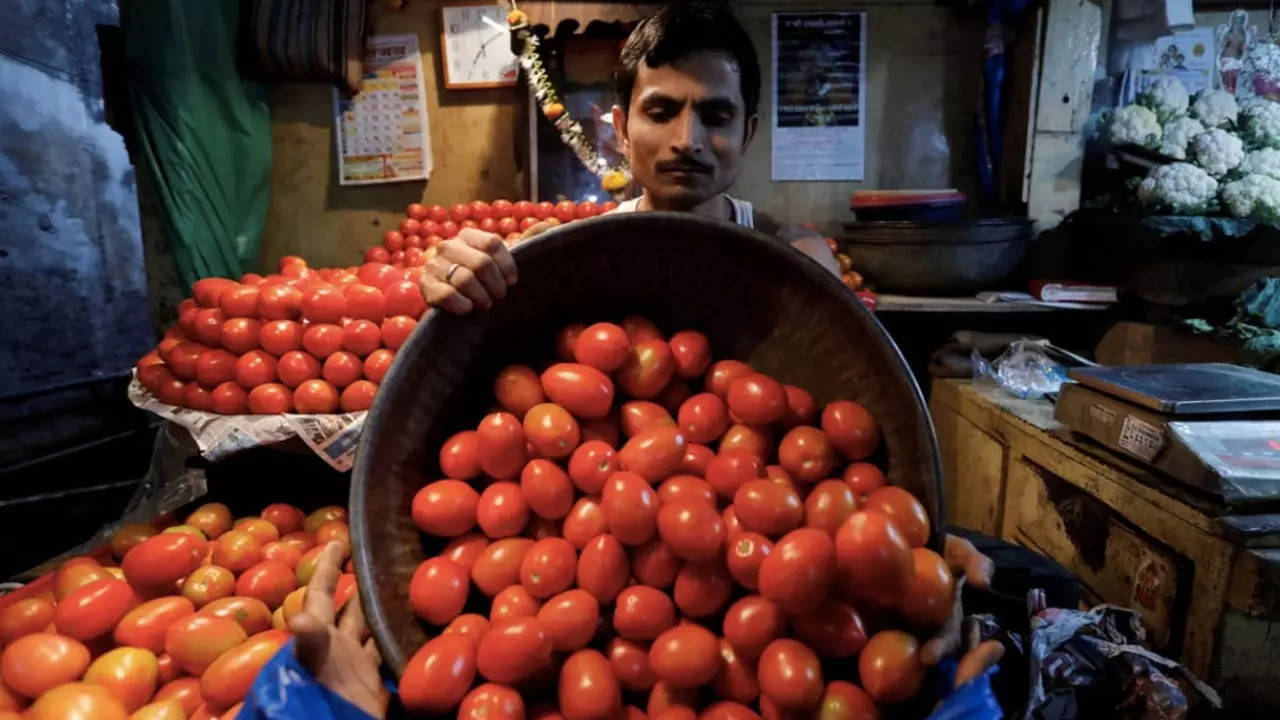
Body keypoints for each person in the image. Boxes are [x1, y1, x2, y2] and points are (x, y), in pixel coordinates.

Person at [287, 2, 1002, 715]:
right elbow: (474, 366)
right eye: (661, 111)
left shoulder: (799, 259)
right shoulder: (559, 257)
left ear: (747, 132)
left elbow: (868, 468)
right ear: (620, 123)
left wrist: (915, 564)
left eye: (716, 116)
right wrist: (453, 278)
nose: (689, 139)